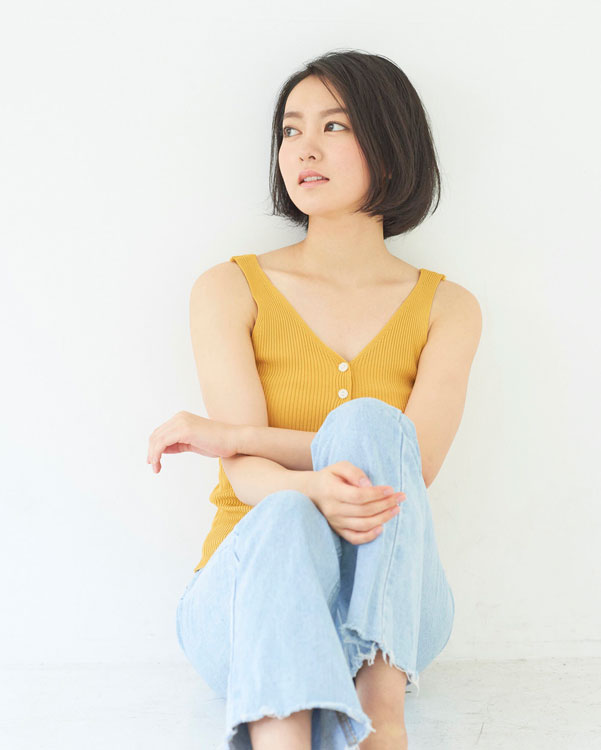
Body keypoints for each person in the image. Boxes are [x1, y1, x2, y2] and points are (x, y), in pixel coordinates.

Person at [147, 49, 482, 750]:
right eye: (290, 129)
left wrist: (238, 435)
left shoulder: (447, 307)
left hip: (397, 607)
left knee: (371, 423)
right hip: (244, 604)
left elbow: (411, 463)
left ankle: (379, 716)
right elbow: (248, 478)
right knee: (284, 513)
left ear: (390, 144)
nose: (303, 148)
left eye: (333, 126)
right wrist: (310, 487)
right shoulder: (228, 288)